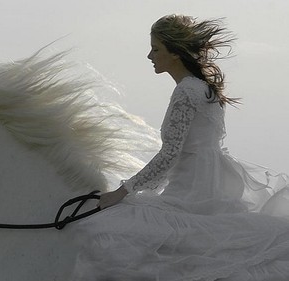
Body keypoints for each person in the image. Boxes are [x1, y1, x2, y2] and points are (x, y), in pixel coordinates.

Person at [71, 14, 289, 281]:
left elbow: (170, 154)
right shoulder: (205, 89)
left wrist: (123, 190)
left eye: (156, 49)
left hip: (190, 193)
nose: (149, 56)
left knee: (107, 231)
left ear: (174, 53)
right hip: (209, 186)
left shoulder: (186, 91)